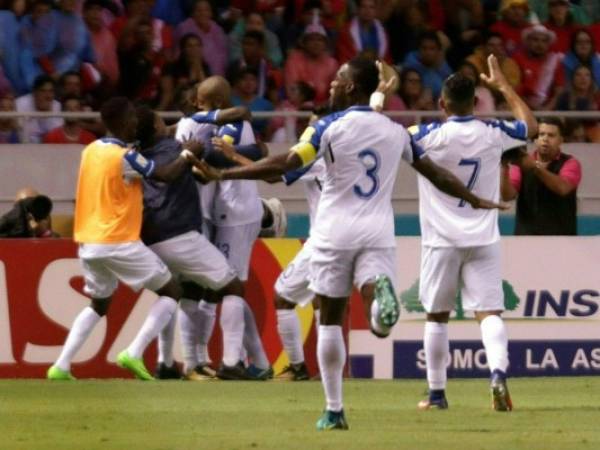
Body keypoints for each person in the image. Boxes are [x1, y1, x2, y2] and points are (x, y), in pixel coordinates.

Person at [190, 57, 504, 430]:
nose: (333, 84)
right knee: (372, 301)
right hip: (378, 231)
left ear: (353, 86)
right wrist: (474, 198)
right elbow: (435, 173)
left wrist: (226, 171)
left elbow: (287, 163)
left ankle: (334, 410)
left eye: (338, 79)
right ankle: (379, 316)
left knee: (330, 320)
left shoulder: (325, 128)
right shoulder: (395, 131)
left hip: (333, 233)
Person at [410, 55, 537, 412]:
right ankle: (497, 374)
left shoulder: (426, 136)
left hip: (441, 240)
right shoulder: (494, 131)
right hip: (483, 238)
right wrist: (504, 87)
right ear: (476, 103)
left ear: (441, 104)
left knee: (437, 316)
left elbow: (390, 138)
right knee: (491, 313)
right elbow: (531, 126)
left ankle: (436, 395)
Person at [46, 97, 198, 381]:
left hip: (89, 241)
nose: (135, 123)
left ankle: (61, 366)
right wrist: (188, 154)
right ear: (122, 123)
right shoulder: (126, 156)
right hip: (117, 239)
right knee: (171, 291)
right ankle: (134, 352)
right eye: (131, 119)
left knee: (99, 304)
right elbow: (165, 175)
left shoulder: (90, 150)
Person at [134, 105, 268, 380]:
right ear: (157, 128)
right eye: (162, 120)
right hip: (189, 225)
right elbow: (216, 158)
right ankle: (223, 362)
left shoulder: (139, 153)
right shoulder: (179, 147)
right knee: (226, 286)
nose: (168, 124)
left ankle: (169, 362)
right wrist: (260, 152)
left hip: (153, 230)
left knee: (174, 292)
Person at [501, 117, 581, 235]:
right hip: (526, 237)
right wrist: (504, 166)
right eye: (541, 134)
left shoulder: (571, 163)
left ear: (561, 140)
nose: (545, 139)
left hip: (562, 239)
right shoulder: (521, 163)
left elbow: (563, 188)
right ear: (535, 140)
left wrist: (534, 167)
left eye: (551, 135)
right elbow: (508, 196)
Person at [513, 24, 564, 109]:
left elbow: (559, 92)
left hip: (547, 111)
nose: (540, 44)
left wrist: (546, 111)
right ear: (528, 41)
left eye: (544, 41)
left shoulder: (555, 61)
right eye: (535, 40)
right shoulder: (517, 59)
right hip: (521, 108)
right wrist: (535, 109)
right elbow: (514, 90)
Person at [336, 0, 392, 64]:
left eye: (371, 7)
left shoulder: (383, 33)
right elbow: (344, 59)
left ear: (376, 11)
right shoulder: (346, 32)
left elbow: (387, 59)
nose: (367, 11)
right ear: (358, 9)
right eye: (363, 7)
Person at [402, 31, 452, 101]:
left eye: (432, 48)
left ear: (438, 50)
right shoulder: (411, 62)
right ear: (418, 50)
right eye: (424, 48)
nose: (428, 52)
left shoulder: (443, 65)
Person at [16, 75, 63, 143]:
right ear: (34, 93)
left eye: (51, 91)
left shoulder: (59, 107)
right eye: (43, 91)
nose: (48, 96)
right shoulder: (20, 104)